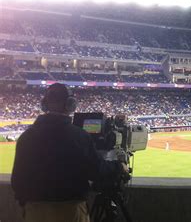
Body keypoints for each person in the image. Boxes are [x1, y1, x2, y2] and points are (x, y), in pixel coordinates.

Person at [11, 83, 124, 222]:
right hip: (69, 211)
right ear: (70, 105)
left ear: (44, 105)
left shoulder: (26, 137)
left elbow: (17, 181)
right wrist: (119, 167)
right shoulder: (79, 136)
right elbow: (97, 171)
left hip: (34, 212)